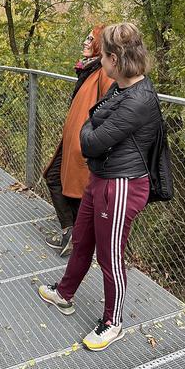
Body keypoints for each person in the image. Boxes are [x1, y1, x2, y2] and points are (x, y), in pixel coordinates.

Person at [37, 23, 162, 351]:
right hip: (102, 179)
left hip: (121, 185)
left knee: (110, 257)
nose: (101, 61)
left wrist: (90, 130)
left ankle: (113, 321)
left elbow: (90, 140)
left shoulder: (139, 99)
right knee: (82, 240)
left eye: (105, 55)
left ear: (116, 60)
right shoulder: (121, 88)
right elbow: (94, 116)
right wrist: (91, 128)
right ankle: (65, 293)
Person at [43, 25, 113, 256]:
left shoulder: (103, 72)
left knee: (67, 184)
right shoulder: (89, 69)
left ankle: (74, 236)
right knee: (57, 178)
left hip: (83, 144)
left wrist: (92, 138)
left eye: (90, 39)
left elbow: (110, 108)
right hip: (71, 141)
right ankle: (71, 233)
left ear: (101, 45)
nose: (85, 42)